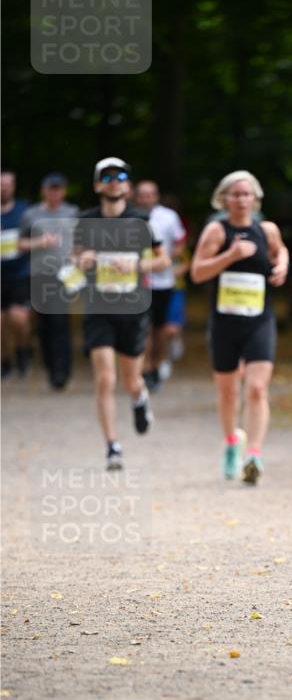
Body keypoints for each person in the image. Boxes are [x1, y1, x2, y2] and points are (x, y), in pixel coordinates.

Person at [190, 170, 289, 484]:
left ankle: (254, 455)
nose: (241, 200)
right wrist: (229, 256)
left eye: (247, 194)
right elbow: (197, 272)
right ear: (224, 198)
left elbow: (279, 250)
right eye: (235, 194)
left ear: (255, 198)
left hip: (259, 319)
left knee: (257, 388)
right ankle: (232, 442)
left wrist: (283, 264)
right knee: (228, 392)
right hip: (225, 322)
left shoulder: (267, 229)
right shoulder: (216, 231)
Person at [74, 157, 171, 469]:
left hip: (132, 309)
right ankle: (113, 446)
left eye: (120, 176)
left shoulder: (141, 220)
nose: (114, 180)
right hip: (98, 307)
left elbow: (163, 260)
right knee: (105, 379)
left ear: (128, 185)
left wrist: (137, 265)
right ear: (97, 184)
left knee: (130, 379)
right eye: (107, 176)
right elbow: (74, 259)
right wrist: (82, 261)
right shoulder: (86, 220)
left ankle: (139, 398)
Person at [18, 172, 79, 389]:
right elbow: (19, 243)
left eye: (59, 188)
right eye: (51, 188)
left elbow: (80, 241)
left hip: (64, 275)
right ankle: (51, 367)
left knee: (60, 322)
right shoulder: (31, 214)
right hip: (38, 275)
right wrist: (39, 242)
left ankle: (62, 372)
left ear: (63, 190)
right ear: (44, 190)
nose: (55, 193)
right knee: (43, 325)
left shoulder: (73, 212)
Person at [133, 180, 187, 390]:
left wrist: (161, 258)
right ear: (137, 196)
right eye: (143, 194)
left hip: (164, 281)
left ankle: (157, 364)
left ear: (156, 196)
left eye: (150, 194)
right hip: (138, 282)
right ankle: (144, 370)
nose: (146, 198)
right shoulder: (130, 216)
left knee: (160, 330)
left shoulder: (169, 217)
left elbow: (180, 245)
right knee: (143, 329)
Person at [1, 170, 32, 378]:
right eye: (1, 184)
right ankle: (5, 360)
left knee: (19, 318)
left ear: (13, 186)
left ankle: (23, 349)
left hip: (20, 273)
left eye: (7, 184)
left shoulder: (24, 210)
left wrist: (24, 245)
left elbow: (36, 237)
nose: (4, 188)